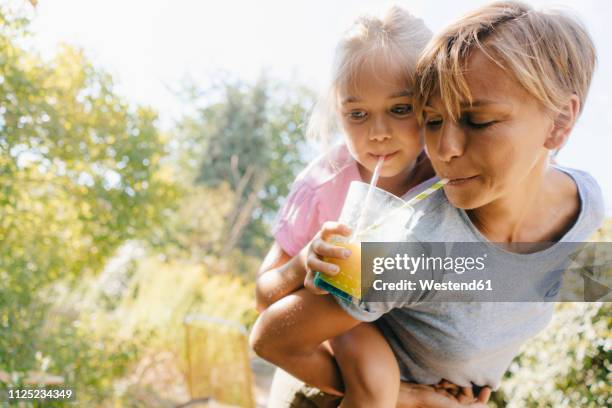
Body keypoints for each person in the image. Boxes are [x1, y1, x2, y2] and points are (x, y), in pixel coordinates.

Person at [250, 1, 604, 407]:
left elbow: (546, 283)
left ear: (560, 121)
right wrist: (407, 396)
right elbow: (269, 330)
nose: (445, 150)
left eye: (478, 120)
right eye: (434, 120)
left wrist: (479, 363)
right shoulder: (406, 241)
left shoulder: (587, 202)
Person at [253, 5, 449, 407]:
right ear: (337, 111)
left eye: (399, 109)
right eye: (357, 114)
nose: (378, 133)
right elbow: (262, 297)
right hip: (329, 353)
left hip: (420, 352)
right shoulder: (324, 184)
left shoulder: (447, 178)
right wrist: (305, 262)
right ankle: (404, 395)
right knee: (366, 352)